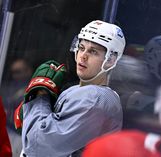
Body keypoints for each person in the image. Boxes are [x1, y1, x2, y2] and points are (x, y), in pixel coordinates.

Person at [15, 20, 126, 157]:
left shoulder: (96, 99)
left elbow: (39, 147)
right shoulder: (78, 90)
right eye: (81, 47)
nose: (83, 56)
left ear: (111, 60)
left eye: (93, 51)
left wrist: (40, 95)